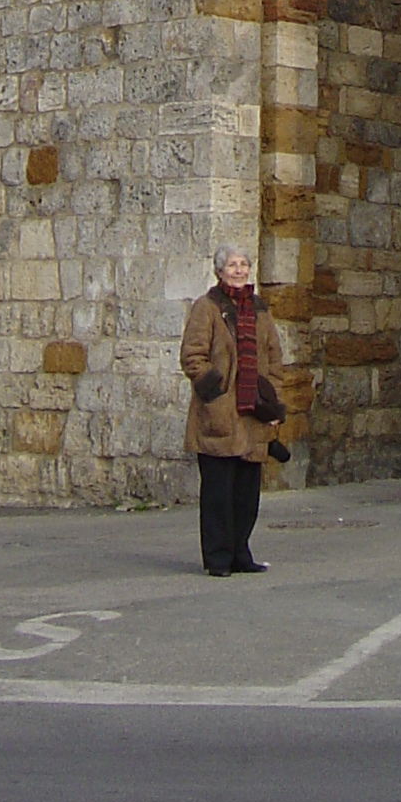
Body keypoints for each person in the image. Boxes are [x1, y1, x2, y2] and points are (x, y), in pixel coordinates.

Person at [179, 245, 288, 577]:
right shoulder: (207, 307)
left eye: (243, 264)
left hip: (252, 415)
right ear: (219, 271)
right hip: (220, 413)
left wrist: (272, 398)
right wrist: (216, 390)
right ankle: (218, 558)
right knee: (218, 495)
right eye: (232, 265)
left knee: (245, 495)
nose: (239, 270)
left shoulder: (259, 309)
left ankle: (241, 552)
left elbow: (272, 355)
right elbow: (192, 355)